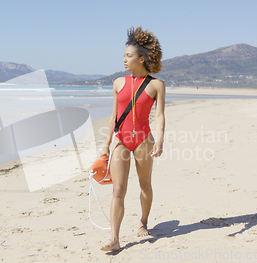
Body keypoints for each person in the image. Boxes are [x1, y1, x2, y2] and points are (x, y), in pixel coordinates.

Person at [100, 26, 165, 252]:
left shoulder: (157, 85)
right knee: (118, 190)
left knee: (145, 184)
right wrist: (106, 143)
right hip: (121, 140)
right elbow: (114, 116)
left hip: (144, 141)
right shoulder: (118, 82)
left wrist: (160, 140)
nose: (124, 59)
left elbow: (159, 114)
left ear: (142, 58)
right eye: (124, 55)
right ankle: (115, 238)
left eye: (129, 56)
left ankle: (143, 222)